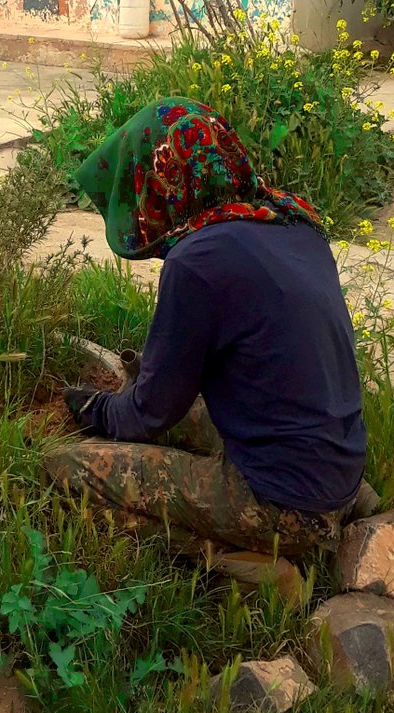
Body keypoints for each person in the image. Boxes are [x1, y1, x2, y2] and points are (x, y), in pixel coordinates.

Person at [49, 98, 369, 558]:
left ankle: (238, 562)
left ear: (160, 183)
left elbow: (149, 414)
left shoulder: (198, 261)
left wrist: (94, 411)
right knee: (180, 408)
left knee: (66, 467)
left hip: (283, 505)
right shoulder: (292, 221)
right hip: (339, 469)